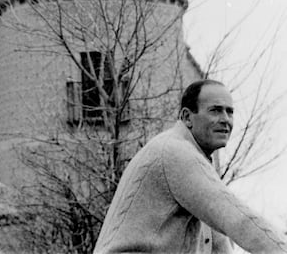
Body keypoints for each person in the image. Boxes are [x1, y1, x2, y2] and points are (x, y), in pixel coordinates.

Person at [93, 79, 287, 254]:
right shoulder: (175, 152)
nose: (225, 119)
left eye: (230, 111)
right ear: (187, 117)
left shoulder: (195, 162)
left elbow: (218, 241)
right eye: (215, 110)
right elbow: (237, 219)